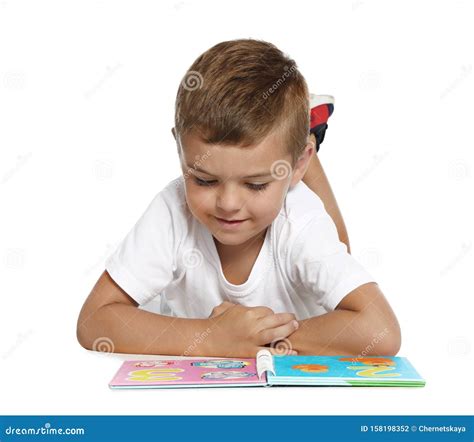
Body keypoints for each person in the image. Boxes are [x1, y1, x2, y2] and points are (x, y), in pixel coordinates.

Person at [77, 39, 401, 358]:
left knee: (333, 240)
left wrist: (259, 338)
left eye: (256, 184)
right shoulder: (172, 209)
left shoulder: (300, 220)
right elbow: (94, 321)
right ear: (180, 151)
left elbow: (382, 332)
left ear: (297, 164)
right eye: (204, 179)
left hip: (299, 199)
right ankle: (296, 137)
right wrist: (211, 338)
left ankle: (306, 138)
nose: (228, 203)